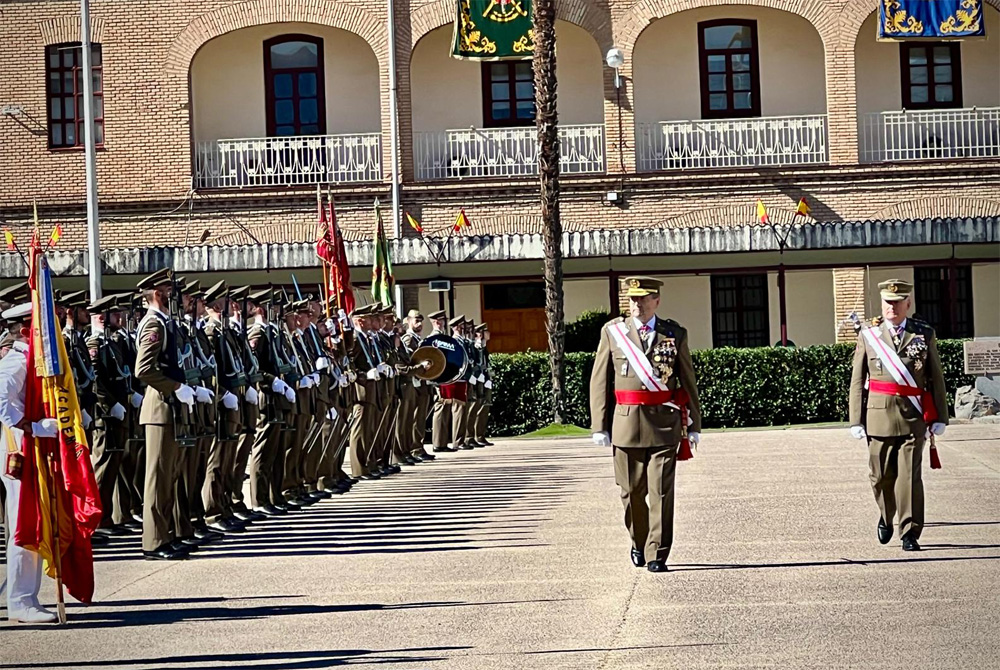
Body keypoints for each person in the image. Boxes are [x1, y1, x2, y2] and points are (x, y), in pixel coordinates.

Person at [589, 276, 702, 573]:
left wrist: (694, 425)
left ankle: (657, 553)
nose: (636, 304)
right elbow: (600, 379)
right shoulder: (613, 332)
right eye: (632, 299)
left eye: (643, 298)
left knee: (662, 492)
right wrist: (599, 424)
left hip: (664, 424)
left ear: (656, 301)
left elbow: (687, 380)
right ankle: (638, 541)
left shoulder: (674, 333)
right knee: (630, 492)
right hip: (625, 425)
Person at [848, 279, 948, 552]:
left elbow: (935, 378)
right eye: (888, 303)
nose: (892, 307)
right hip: (878, 417)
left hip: (913, 417)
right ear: (882, 304)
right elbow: (858, 380)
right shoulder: (869, 334)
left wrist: (940, 416)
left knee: (909, 477)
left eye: (897, 302)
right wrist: (856, 419)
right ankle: (885, 514)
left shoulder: (922, 334)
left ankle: (909, 532)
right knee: (880, 477)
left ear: (908, 304)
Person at [0, 302, 58, 623]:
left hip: (31, 450)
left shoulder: (30, 358)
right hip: (18, 452)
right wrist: (31, 427)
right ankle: (20, 601)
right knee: (24, 524)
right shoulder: (16, 360)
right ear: (25, 329)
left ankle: (27, 598)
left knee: (33, 521)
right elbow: (0, 399)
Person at [135, 269, 197, 560]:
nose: (174, 297)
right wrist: (175, 387)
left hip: (169, 406)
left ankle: (167, 535)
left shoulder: (164, 323)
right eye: (169, 292)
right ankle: (154, 541)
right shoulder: (153, 324)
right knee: (158, 477)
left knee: (169, 475)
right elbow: (144, 369)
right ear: (158, 294)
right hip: (160, 407)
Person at [402, 310, 435, 461]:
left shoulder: (417, 339)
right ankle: (414, 447)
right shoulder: (408, 339)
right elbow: (411, 360)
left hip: (422, 382)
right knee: (415, 418)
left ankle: (418, 446)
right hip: (414, 383)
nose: (420, 324)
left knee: (420, 417)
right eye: (416, 320)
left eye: (421, 321)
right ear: (408, 321)